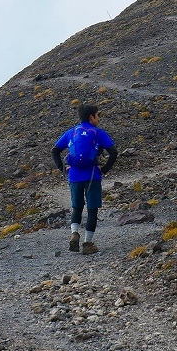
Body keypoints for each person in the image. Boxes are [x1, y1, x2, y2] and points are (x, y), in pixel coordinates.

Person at [51, 104, 118, 255]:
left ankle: (74, 233)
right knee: (92, 209)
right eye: (97, 115)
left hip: (74, 175)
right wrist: (105, 169)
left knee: (77, 207)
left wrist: (62, 168)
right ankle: (88, 243)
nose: (98, 118)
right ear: (91, 117)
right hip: (92, 175)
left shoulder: (70, 132)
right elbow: (113, 151)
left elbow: (55, 150)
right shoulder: (98, 133)